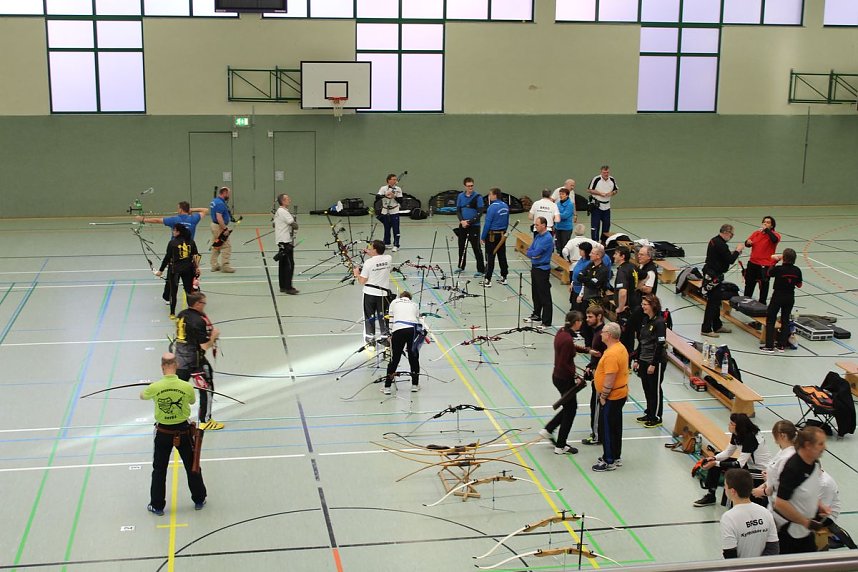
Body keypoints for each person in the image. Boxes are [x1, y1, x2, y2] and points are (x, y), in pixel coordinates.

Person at [140, 353, 207, 516]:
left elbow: (142, 396)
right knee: (192, 466)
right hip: (183, 432)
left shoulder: (155, 387)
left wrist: (154, 388)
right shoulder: (186, 386)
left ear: (162, 366)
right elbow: (191, 401)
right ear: (176, 365)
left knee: (159, 469)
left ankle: (157, 505)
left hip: (163, 433)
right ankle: (199, 499)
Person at [540, 311, 597, 454]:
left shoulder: (562, 333)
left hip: (558, 376)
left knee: (568, 407)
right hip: (565, 378)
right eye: (581, 321)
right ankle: (560, 445)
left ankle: (548, 429)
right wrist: (575, 376)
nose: (582, 323)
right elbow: (565, 362)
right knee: (570, 410)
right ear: (576, 322)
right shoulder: (566, 339)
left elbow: (571, 347)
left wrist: (587, 351)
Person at [693, 413, 772, 507]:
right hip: (748, 464)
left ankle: (730, 504)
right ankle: (711, 495)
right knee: (715, 463)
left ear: (739, 426)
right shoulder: (738, 434)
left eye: (731, 423)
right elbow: (728, 452)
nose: (729, 425)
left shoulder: (750, 438)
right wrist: (714, 458)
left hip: (761, 471)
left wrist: (716, 463)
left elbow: (739, 464)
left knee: (732, 473)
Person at [774, 426, 829, 554]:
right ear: (808, 445)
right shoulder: (792, 469)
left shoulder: (814, 464)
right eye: (820, 444)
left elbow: (810, 490)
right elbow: (780, 503)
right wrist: (805, 522)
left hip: (804, 531)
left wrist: (819, 505)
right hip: (788, 533)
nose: (824, 447)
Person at [174, 292, 223, 430]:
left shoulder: (181, 314)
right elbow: (205, 345)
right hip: (194, 361)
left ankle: (175, 418)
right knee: (207, 388)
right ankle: (205, 420)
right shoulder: (198, 320)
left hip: (180, 358)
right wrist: (213, 336)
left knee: (178, 389)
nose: (205, 306)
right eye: (203, 303)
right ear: (197, 304)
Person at [592, 322, 628, 471]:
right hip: (620, 394)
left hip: (612, 396)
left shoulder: (612, 354)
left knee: (607, 428)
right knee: (615, 426)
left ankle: (609, 460)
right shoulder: (620, 348)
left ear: (609, 335)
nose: (601, 333)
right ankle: (615, 455)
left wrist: (603, 395)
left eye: (603, 331)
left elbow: (610, 376)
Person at [720, 468, 779, 559]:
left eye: (725, 486)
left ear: (733, 491)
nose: (724, 488)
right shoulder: (765, 512)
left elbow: (730, 555)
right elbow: (773, 549)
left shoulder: (728, 517)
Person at [701, 224, 744, 338]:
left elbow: (722, 257)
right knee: (713, 303)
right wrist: (737, 251)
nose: (732, 236)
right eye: (731, 234)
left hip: (713, 273)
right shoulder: (721, 244)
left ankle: (717, 325)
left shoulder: (714, 241)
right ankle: (706, 328)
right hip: (713, 275)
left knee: (715, 301)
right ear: (726, 232)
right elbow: (730, 260)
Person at [632, 294, 667, 428]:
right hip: (644, 359)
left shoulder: (659, 323)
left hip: (655, 362)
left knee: (655, 389)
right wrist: (637, 358)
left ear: (653, 306)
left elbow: (660, 345)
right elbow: (641, 341)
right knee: (647, 388)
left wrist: (653, 363)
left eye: (645, 304)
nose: (642, 307)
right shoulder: (646, 320)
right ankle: (649, 412)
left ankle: (657, 416)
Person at [761, 248, 802, 353]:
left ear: (783, 258)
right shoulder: (797, 270)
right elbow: (799, 285)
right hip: (790, 297)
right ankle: (781, 345)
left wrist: (774, 261)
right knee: (785, 320)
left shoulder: (779, 269)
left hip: (778, 296)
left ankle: (769, 346)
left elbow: (769, 273)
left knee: (770, 319)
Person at [156, 224, 199, 318]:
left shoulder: (172, 243)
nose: (173, 232)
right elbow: (196, 256)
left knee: (173, 292)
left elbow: (167, 257)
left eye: (174, 230)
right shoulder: (191, 242)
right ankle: (191, 312)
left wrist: (160, 270)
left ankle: (172, 313)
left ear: (178, 232)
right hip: (188, 269)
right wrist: (197, 268)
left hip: (175, 270)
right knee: (189, 291)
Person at [385, 291, 424, 395]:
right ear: (409, 298)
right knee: (413, 358)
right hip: (413, 330)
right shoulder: (414, 304)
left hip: (398, 330)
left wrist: (390, 334)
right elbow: (419, 321)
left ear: (401, 297)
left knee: (395, 358)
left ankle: (387, 387)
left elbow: (391, 320)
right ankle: (415, 385)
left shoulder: (394, 302)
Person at [354, 239, 392, 345]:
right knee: (383, 316)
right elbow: (378, 261)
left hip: (370, 294)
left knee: (369, 316)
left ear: (375, 250)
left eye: (371, 248)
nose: (369, 250)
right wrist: (369, 252)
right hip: (383, 295)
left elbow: (362, 281)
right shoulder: (389, 258)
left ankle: (370, 339)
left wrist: (356, 273)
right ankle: (385, 338)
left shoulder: (368, 263)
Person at [752, 420, 797, 507]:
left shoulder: (788, 457)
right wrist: (765, 483)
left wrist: (762, 491)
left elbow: (780, 485)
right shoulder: (783, 451)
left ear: (782, 436)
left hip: (779, 503)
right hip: (771, 497)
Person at [581, 307, 606, 447]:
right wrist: (590, 365)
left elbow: (602, 356)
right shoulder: (596, 331)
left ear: (599, 316)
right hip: (596, 372)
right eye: (587, 316)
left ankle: (597, 436)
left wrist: (595, 368)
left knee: (596, 407)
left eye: (590, 317)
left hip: (600, 377)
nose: (587, 319)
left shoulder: (602, 334)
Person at [743, 216, 781, 304]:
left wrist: (767, 230)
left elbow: (774, 240)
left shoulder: (775, 235)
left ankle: (762, 304)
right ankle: (744, 302)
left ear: (772, 225)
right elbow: (747, 243)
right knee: (749, 284)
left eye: (768, 222)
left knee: (764, 286)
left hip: (765, 265)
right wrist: (748, 243)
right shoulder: (756, 233)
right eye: (764, 222)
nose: (765, 224)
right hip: (753, 263)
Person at [524, 216, 554, 327]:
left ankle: (546, 322)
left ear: (543, 225)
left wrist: (533, 254)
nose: (535, 226)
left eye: (537, 225)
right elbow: (530, 251)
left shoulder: (547, 238)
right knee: (535, 293)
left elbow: (536, 252)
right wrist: (532, 254)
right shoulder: (537, 236)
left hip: (542, 269)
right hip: (535, 267)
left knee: (544, 296)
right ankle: (537, 314)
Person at [455, 177, 485, 276]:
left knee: (476, 248)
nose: (470, 187)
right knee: (461, 246)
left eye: (472, 185)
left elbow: (480, 212)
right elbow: (458, 210)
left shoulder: (478, 197)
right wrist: (462, 221)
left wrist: (470, 222)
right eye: (468, 186)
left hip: (474, 226)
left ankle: (481, 269)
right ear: (465, 186)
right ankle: (461, 266)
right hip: (463, 225)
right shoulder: (460, 196)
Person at [480, 187, 509, 288]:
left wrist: (483, 237)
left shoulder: (492, 207)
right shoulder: (505, 206)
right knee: (502, 256)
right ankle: (504, 277)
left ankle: (488, 279)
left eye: (490, 194)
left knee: (490, 256)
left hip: (492, 236)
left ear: (495, 195)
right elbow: (507, 221)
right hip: (502, 235)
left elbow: (487, 224)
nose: (489, 196)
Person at [138, 201, 209, 239]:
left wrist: (143, 219)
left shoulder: (174, 220)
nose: (177, 210)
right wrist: (191, 210)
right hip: (188, 247)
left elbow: (157, 220)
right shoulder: (194, 218)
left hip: (175, 247)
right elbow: (205, 210)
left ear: (181, 210)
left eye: (178, 208)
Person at [612, 245, 637, 354]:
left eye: (616, 254)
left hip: (625, 311)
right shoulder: (633, 266)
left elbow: (622, 292)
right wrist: (636, 288)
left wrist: (620, 308)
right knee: (630, 337)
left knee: (624, 339)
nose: (614, 256)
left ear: (622, 256)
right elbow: (644, 276)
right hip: (633, 307)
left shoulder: (622, 271)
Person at [273, 193, 299, 295]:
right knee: (289, 264)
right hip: (285, 241)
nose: (289, 200)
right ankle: (288, 287)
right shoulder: (283, 212)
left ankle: (283, 286)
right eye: (287, 199)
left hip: (281, 241)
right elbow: (294, 225)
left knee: (283, 264)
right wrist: (295, 225)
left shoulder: (279, 212)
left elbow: (274, 224)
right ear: (283, 201)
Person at [575, 243, 610, 314]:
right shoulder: (590, 264)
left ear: (598, 256)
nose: (590, 254)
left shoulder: (603, 270)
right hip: (586, 296)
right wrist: (589, 279)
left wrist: (585, 279)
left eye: (592, 253)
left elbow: (594, 284)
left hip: (595, 299)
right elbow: (579, 277)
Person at [587, 165, 619, 242]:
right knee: (595, 225)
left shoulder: (612, 179)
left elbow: (616, 190)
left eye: (607, 172)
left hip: (607, 206)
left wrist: (611, 193)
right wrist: (600, 193)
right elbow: (589, 190)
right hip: (597, 206)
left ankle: (604, 242)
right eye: (604, 172)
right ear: (601, 172)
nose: (606, 174)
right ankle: (595, 241)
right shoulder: (596, 179)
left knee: (606, 225)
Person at [209, 186, 235, 273]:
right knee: (226, 246)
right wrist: (225, 229)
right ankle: (225, 266)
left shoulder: (215, 201)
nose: (229, 195)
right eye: (228, 194)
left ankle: (214, 265)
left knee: (216, 245)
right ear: (224, 193)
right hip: (219, 227)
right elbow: (219, 217)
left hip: (214, 226)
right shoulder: (220, 203)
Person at [377, 173, 403, 252]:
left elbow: (401, 200)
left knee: (396, 228)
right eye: (393, 179)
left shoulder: (398, 189)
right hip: (385, 211)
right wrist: (385, 195)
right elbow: (377, 197)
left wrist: (394, 196)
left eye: (396, 179)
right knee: (387, 228)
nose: (395, 181)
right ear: (389, 180)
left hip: (394, 211)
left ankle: (396, 244)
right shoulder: (383, 188)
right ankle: (387, 243)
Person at [568, 241, 593, 310]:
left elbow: (585, 280)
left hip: (580, 290)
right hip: (575, 288)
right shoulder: (581, 259)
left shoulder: (589, 263)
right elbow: (576, 272)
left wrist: (581, 295)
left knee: (578, 309)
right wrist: (572, 283)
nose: (579, 251)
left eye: (581, 250)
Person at [554, 187, 575, 257]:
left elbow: (565, 216)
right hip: (558, 227)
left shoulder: (570, 205)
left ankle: (566, 262)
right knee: (558, 246)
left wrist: (556, 215)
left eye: (563, 194)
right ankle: (560, 262)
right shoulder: (558, 204)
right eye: (560, 194)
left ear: (567, 195)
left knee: (564, 246)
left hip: (566, 228)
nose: (561, 196)